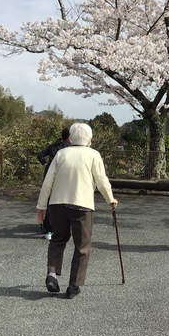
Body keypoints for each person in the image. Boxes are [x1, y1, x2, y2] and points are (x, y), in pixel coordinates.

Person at [35, 122, 118, 299]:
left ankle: (51, 275)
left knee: (57, 239)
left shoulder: (61, 154)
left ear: (71, 138)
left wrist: (41, 206)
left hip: (57, 204)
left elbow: (48, 182)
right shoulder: (93, 155)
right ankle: (73, 285)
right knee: (82, 246)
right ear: (89, 139)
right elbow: (102, 180)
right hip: (82, 205)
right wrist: (110, 199)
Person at [36, 127, 71, 240]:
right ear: (69, 137)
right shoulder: (71, 148)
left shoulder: (53, 146)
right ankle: (64, 226)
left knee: (48, 202)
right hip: (64, 177)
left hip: (49, 175)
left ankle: (48, 230)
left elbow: (40, 155)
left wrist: (44, 162)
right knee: (66, 201)